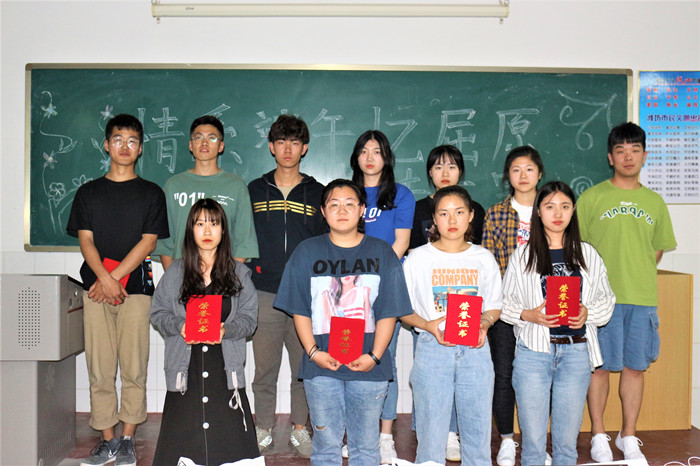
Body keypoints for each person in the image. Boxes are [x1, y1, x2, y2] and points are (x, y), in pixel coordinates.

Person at [273, 179, 412, 466]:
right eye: (334, 205)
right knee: (326, 448)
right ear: (323, 211)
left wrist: (375, 356)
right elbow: (300, 310)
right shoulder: (306, 252)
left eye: (350, 204)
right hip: (321, 365)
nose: (342, 210)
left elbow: (388, 312)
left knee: (366, 448)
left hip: (369, 365)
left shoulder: (382, 252)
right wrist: (313, 352)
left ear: (362, 210)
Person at [66, 114, 169, 466]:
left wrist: (114, 278)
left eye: (132, 141)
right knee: (100, 367)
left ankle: (127, 439)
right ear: (106, 145)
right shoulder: (88, 192)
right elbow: (86, 240)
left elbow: (149, 242)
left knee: (134, 366)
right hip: (95, 288)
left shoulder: (151, 193)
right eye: (118, 139)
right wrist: (104, 278)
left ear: (140, 149)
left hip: (135, 288)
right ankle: (107, 439)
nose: (125, 146)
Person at [578, 122, 676, 461]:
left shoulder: (654, 202)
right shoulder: (591, 198)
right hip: (600, 302)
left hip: (642, 297)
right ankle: (599, 434)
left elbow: (657, 249)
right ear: (610, 157)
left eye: (635, 150)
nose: (628, 157)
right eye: (620, 151)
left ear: (644, 155)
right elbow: (579, 249)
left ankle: (628, 435)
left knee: (635, 368)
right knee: (600, 368)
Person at [500, 181, 615, 466]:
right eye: (550, 207)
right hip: (534, 352)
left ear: (573, 210)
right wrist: (528, 315)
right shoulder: (523, 255)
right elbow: (502, 303)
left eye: (565, 206)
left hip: (576, 352)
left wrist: (588, 313)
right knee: (533, 444)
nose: (558, 213)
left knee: (566, 445)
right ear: (538, 212)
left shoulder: (587, 254)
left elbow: (607, 300)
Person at [150, 198, 260, 465]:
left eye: (214, 223)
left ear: (223, 230)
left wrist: (227, 330)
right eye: (200, 224)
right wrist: (180, 326)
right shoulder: (175, 273)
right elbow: (158, 313)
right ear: (191, 230)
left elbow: (249, 320)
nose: (207, 231)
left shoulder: (240, 274)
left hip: (225, 370)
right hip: (185, 372)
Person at [402, 185, 502, 465]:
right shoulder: (418, 258)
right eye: (444, 214)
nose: (452, 220)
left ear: (471, 216)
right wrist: (427, 324)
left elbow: (495, 304)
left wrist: (484, 323)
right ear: (434, 219)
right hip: (433, 349)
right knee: (431, 437)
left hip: (475, 351)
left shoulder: (483, 258)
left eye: (459, 212)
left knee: (477, 435)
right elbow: (402, 309)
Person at [247, 114, 325, 458]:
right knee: (264, 367)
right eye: (281, 142)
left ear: (304, 148)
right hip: (263, 290)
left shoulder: (318, 193)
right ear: (271, 147)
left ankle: (299, 428)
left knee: (303, 368)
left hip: (305, 295)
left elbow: (327, 243)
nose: (288, 149)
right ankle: (263, 427)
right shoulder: (254, 189)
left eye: (294, 142)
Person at [350, 130, 415, 463]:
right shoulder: (347, 193)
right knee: (350, 356)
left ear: (386, 157)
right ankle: (358, 434)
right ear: (356, 158)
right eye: (364, 151)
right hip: (349, 290)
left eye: (376, 151)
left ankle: (385, 436)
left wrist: (374, 280)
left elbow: (401, 242)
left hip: (386, 287)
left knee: (382, 359)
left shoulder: (401, 195)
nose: (370, 157)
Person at [481, 145, 544, 466]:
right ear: (508, 175)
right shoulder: (495, 213)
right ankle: (507, 439)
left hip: (544, 309)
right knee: (503, 374)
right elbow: (488, 264)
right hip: (506, 309)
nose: (523, 175)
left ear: (540, 174)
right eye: (516, 170)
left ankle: (536, 443)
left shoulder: (551, 209)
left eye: (529, 169)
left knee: (538, 377)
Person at [155, 115, 258, 268]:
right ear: (190, 145)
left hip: (223, 276)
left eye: (212, 138)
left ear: (221, 146)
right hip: (182, 275)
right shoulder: (173, 186)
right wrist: (173, 278)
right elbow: (165, 242)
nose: (204, 142)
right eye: (198, 137)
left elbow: (244, 241)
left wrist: (228, 277)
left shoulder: (236, 186)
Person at [409, 144, 485, 250]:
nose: (445, 174)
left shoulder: (475, 209)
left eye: (451, 167)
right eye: (439, 168)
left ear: (460, 171)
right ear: (430, 172)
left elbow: (479, 250)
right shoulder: (417, 209)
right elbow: (413, 250)